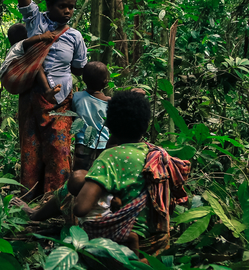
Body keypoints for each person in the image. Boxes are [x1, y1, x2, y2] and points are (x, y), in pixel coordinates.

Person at [21, 90, 190, 256]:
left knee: (70, 191)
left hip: (117, 249)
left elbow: (81, 208)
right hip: (154, 247)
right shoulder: (156, 154)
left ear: (109, 124)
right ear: (146, 125)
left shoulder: (110, 157)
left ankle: (34, 216)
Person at [15, 0, 88, 199]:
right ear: (50, 6)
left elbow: (79, 68)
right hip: (32, 96)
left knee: (59, 148)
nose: (67, 11)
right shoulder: (36, 21)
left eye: (71, 7)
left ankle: (55, 199)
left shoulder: (75, 36)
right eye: (62, 6)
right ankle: (30, 196)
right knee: (31, 146)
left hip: (60, 99)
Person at [0, 23, 62, 99]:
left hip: (7, 81)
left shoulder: (13, 50)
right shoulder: (19, 45)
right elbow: (27, 42)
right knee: (37, 64)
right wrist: (43, 36)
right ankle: (47, 90)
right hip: (11, 74)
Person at [72, 61, 111, 172]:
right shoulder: (109, 102)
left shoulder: (76, 97)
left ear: (84, 79)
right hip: (103, 144)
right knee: (99, 173)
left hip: (82, 143)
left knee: (79, 173)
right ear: (105, 82)